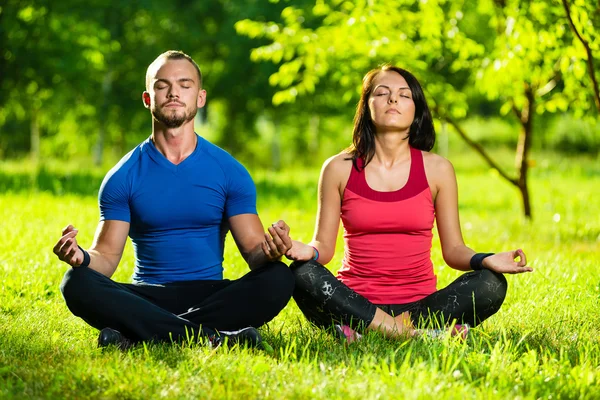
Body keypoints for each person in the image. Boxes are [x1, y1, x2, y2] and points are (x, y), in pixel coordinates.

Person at [53, 50, 295, 350]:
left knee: (278, 278)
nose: (173, 93)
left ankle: (139, 333)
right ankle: (211, 337)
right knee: (76, 282)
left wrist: (273, 251)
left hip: (211, 294)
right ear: (147, 98)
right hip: (148, 295)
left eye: (184, 84)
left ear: (200, 97)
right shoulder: (123, 176)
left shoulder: (229, 171)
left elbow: (255, 255)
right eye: (162, 85)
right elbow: (107, 257)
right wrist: (82, 258)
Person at [285, 65, 533, 342]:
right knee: (302, 273)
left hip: (420, 307)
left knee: (491, 283)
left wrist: (485, 259)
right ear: (366, 106)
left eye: (404, 95)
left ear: (416, 110)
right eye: (382, 93)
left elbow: (453, 250)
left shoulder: (438, 169)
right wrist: (303, 250)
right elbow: (324, 248)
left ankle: (374, 332)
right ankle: (418, 335)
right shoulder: (338, 168)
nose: (393, 99)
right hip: (352, 303)